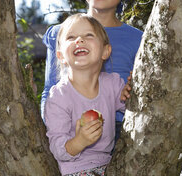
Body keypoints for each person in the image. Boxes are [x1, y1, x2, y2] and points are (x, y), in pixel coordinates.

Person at [41, 0, 142, 141]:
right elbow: (50, 87)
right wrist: (52, 129)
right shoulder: (60, 34)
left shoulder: (138, 40)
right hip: (68, 128)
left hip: (120, 131)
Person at [44, 13, 132, 176]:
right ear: (61, 56)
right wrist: (79, 142)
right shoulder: (59, 96)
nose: (79, 40)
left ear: (106, 51)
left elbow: (131, 109)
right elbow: (57, 147)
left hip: (109, 164)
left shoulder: (112, 84)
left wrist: (130, 92)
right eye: (71, 37)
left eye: (88, 35)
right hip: (76, 169)